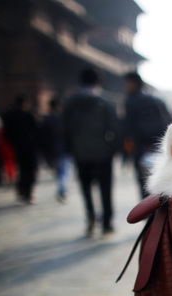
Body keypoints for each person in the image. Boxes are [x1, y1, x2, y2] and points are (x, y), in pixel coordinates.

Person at [63, 68, 119, 237]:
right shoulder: (105, 101)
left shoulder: (70, 102)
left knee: (86, 186)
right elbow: (114, 128)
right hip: (103, 151)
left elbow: (65, 128)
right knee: (105, 188)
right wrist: (113, 149)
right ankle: (107, 222)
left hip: (80, 152)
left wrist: (70, 148)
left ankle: (91, 217)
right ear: (97, 82)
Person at [123, 71, 172, 198]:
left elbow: (129, 127)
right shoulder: (157, 100)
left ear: (134, 83)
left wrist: (130, 151)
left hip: (141, 149)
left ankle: (149, 215)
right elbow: (169, 123)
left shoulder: (131, 102)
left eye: (127, 84)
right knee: (162, 184)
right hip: (160, 147)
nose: (126, 87)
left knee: (144, 186)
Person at [3, 95, 39, 204]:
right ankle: (28, 192)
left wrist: (14, 143)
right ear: (25, 103)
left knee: (22, 169)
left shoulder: (9, 116)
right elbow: (36, 132)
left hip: (17, 147)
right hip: (29, 147)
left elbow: (6, 133)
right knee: (31, 171)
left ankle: (21, 190)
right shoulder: (29, 116)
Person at [40, 98, 70, 203]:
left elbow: (42, 137)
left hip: (52, 150)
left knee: (59, 171)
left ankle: (61, 188)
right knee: (64, 171)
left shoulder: (46, 120)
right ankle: (62, 189)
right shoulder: (64, 119)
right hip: (64, 149)